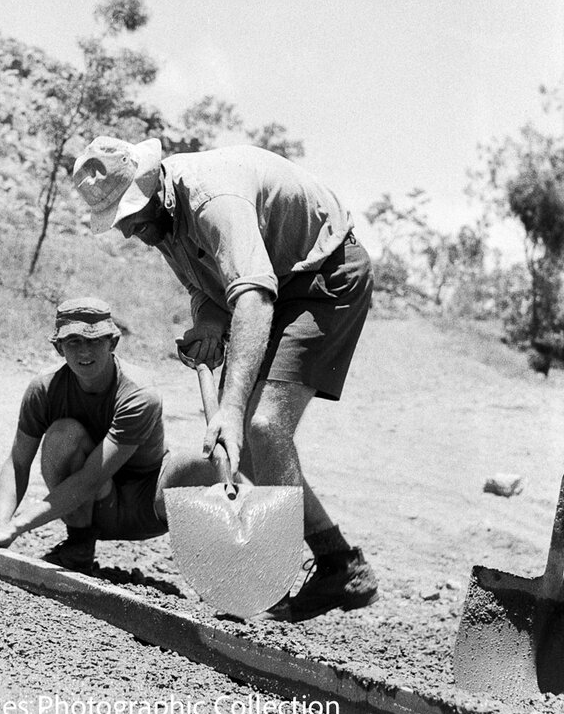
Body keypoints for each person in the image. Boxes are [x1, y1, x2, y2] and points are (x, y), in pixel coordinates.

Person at [71, 137, 377, 621]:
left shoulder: (214, 201)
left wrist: (231, 409)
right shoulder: (162, 218)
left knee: (260, 425)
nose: (127, 231)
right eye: (119, 221)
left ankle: (279, 582)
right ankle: (339, 564)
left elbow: (253, 296)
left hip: (324, 272)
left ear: (151, 186)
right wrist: (208, 326)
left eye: (130, 217)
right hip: (279, 281)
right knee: (246, 443)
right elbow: (208, 289)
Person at [0, 297, 221, 570]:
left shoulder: (139, 395)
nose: (85, 351)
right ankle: (79, 546)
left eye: (95, 340)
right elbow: (18, 463)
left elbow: (90, 479)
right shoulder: (44, 389)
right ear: (59, 347)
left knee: (200, 465)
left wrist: (15, 527)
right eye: (74, 341)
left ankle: (214, 566)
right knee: (63, 435)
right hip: (91, 509)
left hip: (145, 508)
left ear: (113, 343)